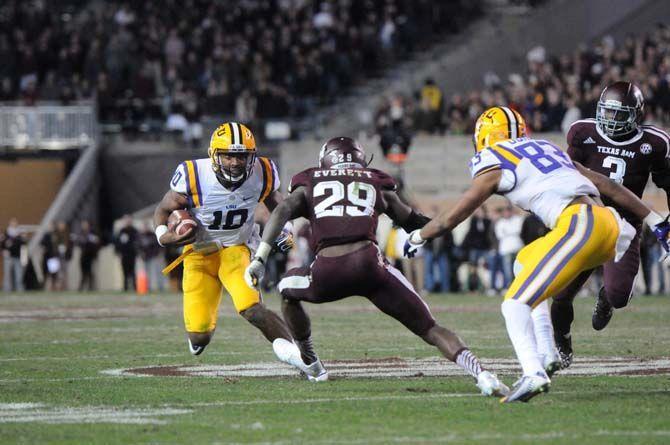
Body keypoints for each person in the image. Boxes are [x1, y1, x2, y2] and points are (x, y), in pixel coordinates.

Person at [403, 106, 669, 403]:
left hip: (580, 225)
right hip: (609, 226)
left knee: (514, 305)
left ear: (486, 136)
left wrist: (419, 235)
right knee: (523, 262)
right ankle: (547, 353)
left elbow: (457, 212)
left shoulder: (494, 158)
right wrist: (656, 219)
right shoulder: (546, 147)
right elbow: (606, 184)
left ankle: (533, 373)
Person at [245, 136, 509, 397]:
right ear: (361, 159)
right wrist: (426, 234)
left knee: (287, 290)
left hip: (329, 269)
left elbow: (281, 211)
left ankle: (311, 361)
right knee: (430, 328)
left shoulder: (311, 180)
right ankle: (483, 374)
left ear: (325, 160)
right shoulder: (376, 182)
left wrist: (260, 257)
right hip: (370, 265)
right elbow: (414, 220)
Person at [153, 122, 319, 379]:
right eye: (228, 155)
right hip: (199, 254)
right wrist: (166, 237)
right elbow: (162, 211)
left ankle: (302, 361)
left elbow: (280, 208)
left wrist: (285, 231)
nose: (234, 162)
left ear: (251, 156)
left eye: (241, 155)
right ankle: (199, 336)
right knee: (199, 336)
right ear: (214, 155)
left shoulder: (263, 172)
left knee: (252, 308)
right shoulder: (193, 174)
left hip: (237, 248)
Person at [550, 82, 670, 368]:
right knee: (560, 294)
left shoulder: (652, 143)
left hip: (624, 227)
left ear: (636, 114)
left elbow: (668, 183)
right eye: (608, 112)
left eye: (620, 114)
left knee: (618, 297)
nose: (611, 119)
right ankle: (562, 338)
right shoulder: (583, 133)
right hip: (586, 221)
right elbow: (567, 176)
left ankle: (606, 298)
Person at [115, 216, 138, 292]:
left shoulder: (134, 231)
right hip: (124, 255)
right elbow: (118, 243)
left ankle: (135, 287)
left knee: (133, 272)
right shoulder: (122, 231)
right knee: (125, 272)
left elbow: (137, 242)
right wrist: (118, 252)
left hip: (132, 255)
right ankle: (125, 288)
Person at [75, 220, 100, 291]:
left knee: (90, 272)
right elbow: (79, 243)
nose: (84, 226)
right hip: (83, 256)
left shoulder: (92, 233)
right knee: (83, 273)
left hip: (90, 256)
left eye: (85, 225)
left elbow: (96, 242)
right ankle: (81, 287)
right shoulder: (81, 233)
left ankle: (91, 287)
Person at [2, 218, 25, 292]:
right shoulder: (6, 233)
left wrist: (24, 258)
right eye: (12, 223)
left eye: (15, 223)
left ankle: (19, 289)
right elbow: (3, 244)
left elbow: (23, 246)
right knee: (7, 274)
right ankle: (7, 289)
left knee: (19, 274)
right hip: (8, 257)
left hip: (17, 256)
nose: (13, 224)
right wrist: (3, 250)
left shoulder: (20, 234)